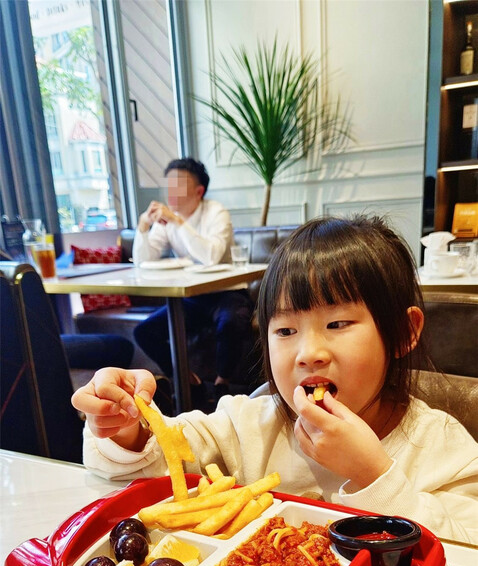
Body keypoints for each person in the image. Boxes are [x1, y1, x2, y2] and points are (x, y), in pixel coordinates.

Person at [71, 215, 478, 545]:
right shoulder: (248, 425)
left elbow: (466, 553)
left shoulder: (441, 447)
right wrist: (126, 427)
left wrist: (373, 475)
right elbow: (152, 466)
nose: (308, 353)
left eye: (337, 324)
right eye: (285, 331)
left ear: (403, 333)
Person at [132, 157, 255, 407]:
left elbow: (211, 256)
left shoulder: (216, 212)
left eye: (178, 184)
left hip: (227, 291)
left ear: (199, 191)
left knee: (230, 322)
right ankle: (188, 381)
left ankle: (221, 385)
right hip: (192, 297)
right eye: (169, 184)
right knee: (144, 332)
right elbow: (142, 260)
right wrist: (143, 228)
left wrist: (178, 222)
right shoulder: (167, 220)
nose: (171, 190)